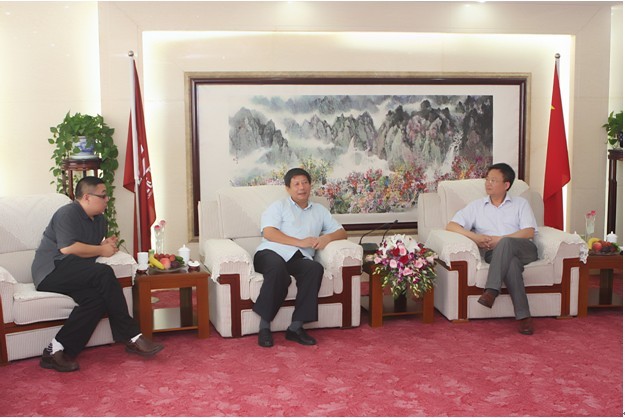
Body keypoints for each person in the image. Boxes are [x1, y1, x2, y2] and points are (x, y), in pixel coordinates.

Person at [32, 176, 163, 372]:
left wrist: (103, 245)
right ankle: (132, 336)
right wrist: (101, 250)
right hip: (51, 271)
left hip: (75, 271)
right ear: (86, 197)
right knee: (104, 272)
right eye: (103, 196)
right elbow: (68, 248)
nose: (107, 199)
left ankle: (54, 350)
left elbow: (86, 248)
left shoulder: (100, 220)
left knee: (96, 300)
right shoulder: (67, 213)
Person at [253, 168, 347, 348]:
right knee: (278, 270)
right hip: (270, 252)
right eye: (296, 184)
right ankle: (264, 327)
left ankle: (295, 328)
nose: (301, 187)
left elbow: (342, 232)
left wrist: (327, 238)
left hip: (298, 257)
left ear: (310, 185)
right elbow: (269, 233)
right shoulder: (279, 206)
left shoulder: (319, 210)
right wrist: (300, 242)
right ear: (288, 188)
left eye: (305, 183)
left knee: (314, 268)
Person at [445, 163, 538, 335]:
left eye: (493, 180)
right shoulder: (477, 206)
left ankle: (491, 291)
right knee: (511, 265)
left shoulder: (520, 204)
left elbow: (529, 232)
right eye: (487, 179)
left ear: (506, 185)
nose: (488, 183)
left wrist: (500, 240)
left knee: (506, 243)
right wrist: (475, 237)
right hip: (494, 254)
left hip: (524, 249)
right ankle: (524, 317)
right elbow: (451, 225)